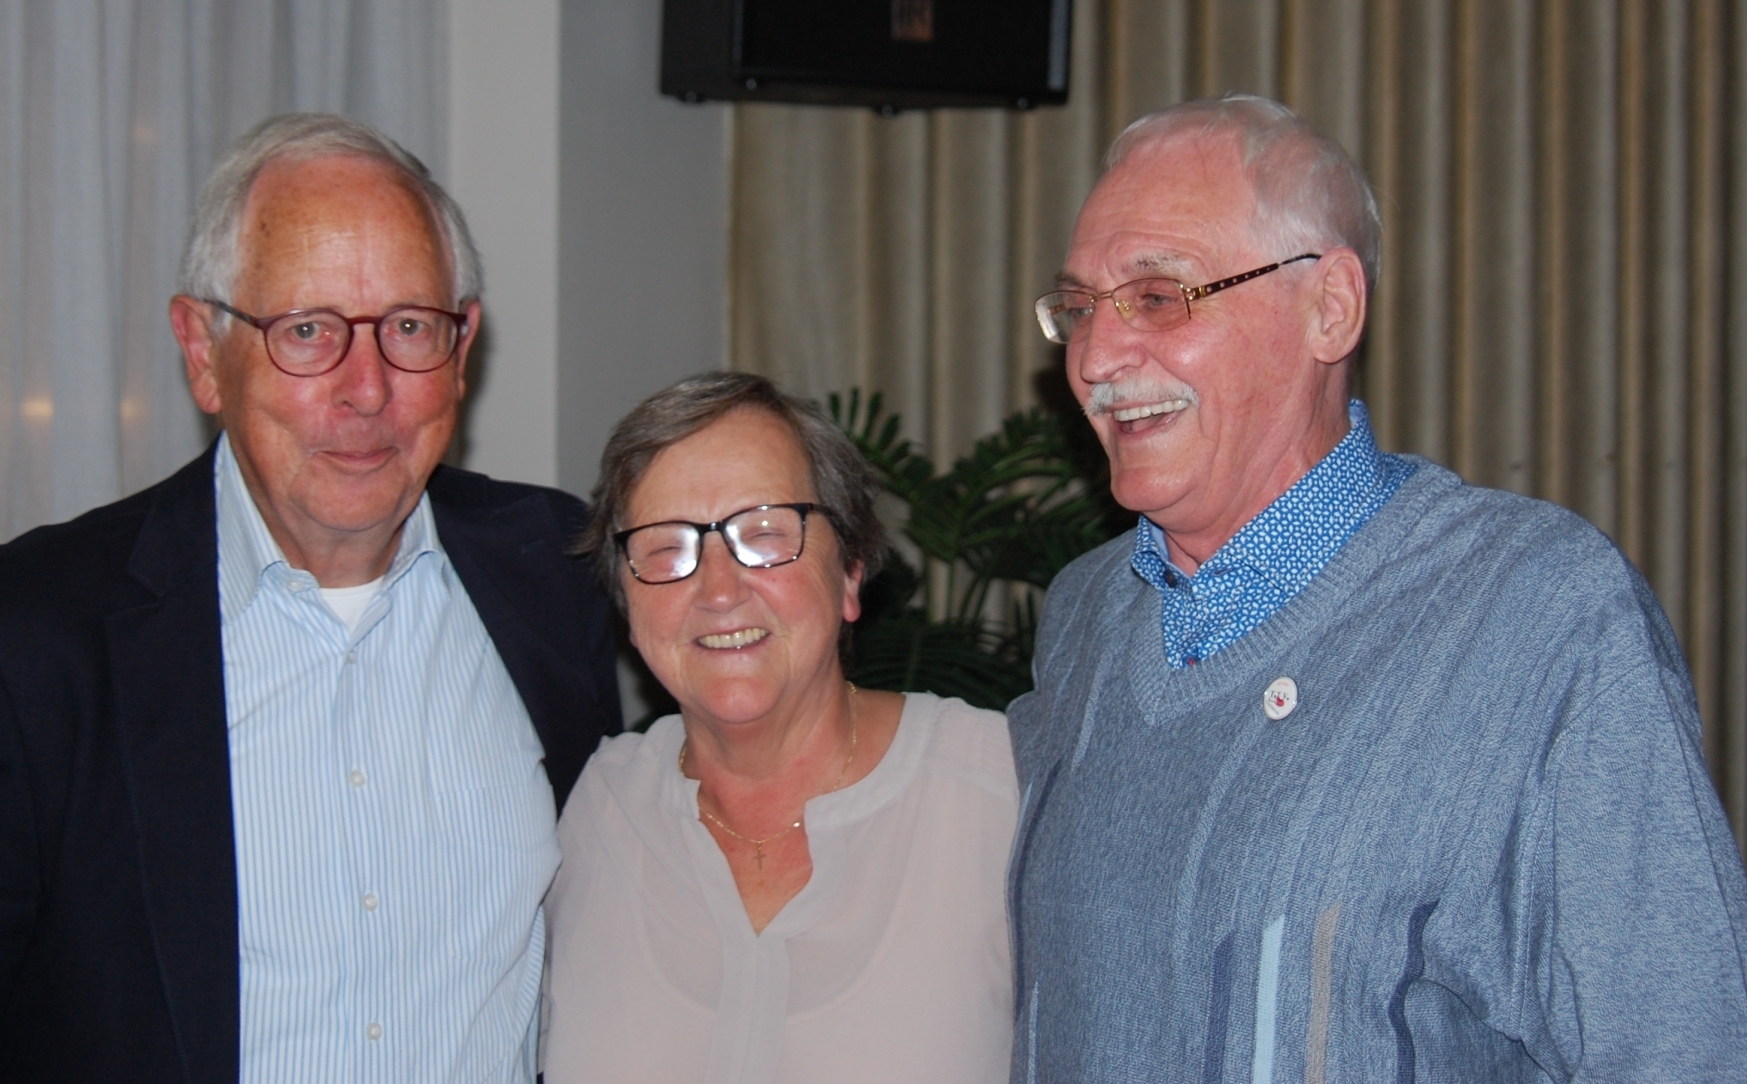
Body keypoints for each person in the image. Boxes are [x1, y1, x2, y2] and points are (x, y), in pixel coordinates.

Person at [1007, 94, 1747, 1082]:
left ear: (1329, 307)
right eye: (1081, 307)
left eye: (1158, 296)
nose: (1095, 356)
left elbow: (1699, 1054)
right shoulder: (1085, 618)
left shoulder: (1541, 617)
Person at [0, 113, 620, 1083]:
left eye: (408, 327)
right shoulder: (40, 634)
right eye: (307, 332)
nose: (366, 389)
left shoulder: (557, 569)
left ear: (462, 348)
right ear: (202, 351)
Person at [540, 371, 1016, 1083]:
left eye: (764, 534)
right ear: (627, 604)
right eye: (666, 548)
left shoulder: (997, 794)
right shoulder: (599, 812)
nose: (719, 590)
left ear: (850, 571)